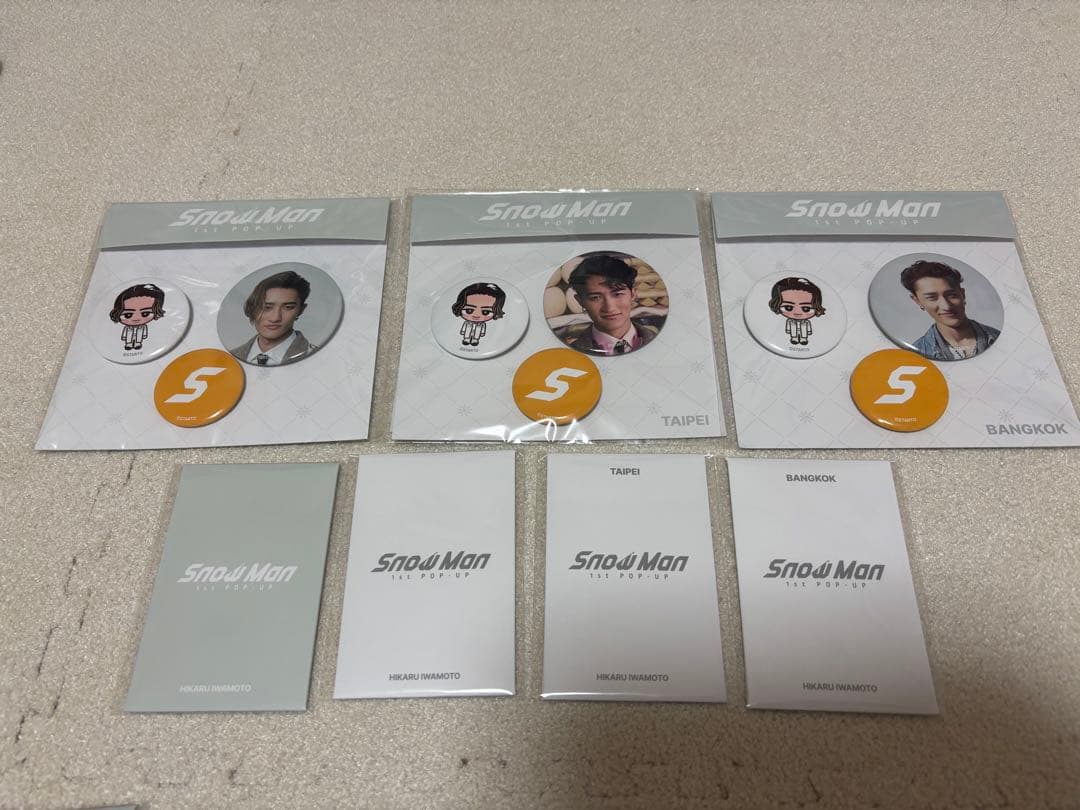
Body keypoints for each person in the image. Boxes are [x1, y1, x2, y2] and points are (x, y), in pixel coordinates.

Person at [556, 254, 659, 356]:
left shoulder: (660, 342)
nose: (609, 308)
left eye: (617, 294)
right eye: (595, 297)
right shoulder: (569, 354)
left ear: (632, 294)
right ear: (580, 301)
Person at [900, 260, 1000, 361]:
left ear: (962, 294)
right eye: (932, 297)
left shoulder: (998, 336)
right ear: (918, 301)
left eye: (952, 295)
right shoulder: (915, 355)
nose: (946, 306)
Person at [229, 270, 319, 366]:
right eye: (266, 307)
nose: (275, 318)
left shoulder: (320, 357)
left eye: (288, 307)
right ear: (252, 308)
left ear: (301, 310)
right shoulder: (230, 357)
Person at [768, 277, 826, 346]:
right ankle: (794, 338)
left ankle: (803, 339)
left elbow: (809, 328)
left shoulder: (806, 322)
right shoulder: (790, 321)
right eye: (788, 308)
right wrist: (788, 330)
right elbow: (788, 327)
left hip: (804, 334)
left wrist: (809, 331)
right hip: (792, 334)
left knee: (804, 336)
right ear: (776, 304)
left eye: (806, 309)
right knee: (793, 335)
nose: (797, 312)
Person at [109, 283, 166, 351]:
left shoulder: (143, 327)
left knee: (138, 339)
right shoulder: (127, 327)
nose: (136, 318)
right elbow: (124, 333)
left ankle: (138, 344)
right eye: (128, 315)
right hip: (127, 339)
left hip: (142, 340)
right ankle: (128, 344)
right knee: (129, 339)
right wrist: (124, 337)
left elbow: (144, 333)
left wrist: (144, 336)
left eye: (145, 314)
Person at [451, 282, 506, 347]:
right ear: (459, 307)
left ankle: (475, 340)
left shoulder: (482, 324)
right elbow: (464, 327)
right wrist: (463, 331)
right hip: (466, 333)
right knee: (467, 335)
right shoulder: (467, 323)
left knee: (476, 336)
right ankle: (466, 339)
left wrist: (482, 333)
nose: (476, 315)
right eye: (469, 310)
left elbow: (483, 329)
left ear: (497, 311)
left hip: (478, 335)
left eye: (486, 312)